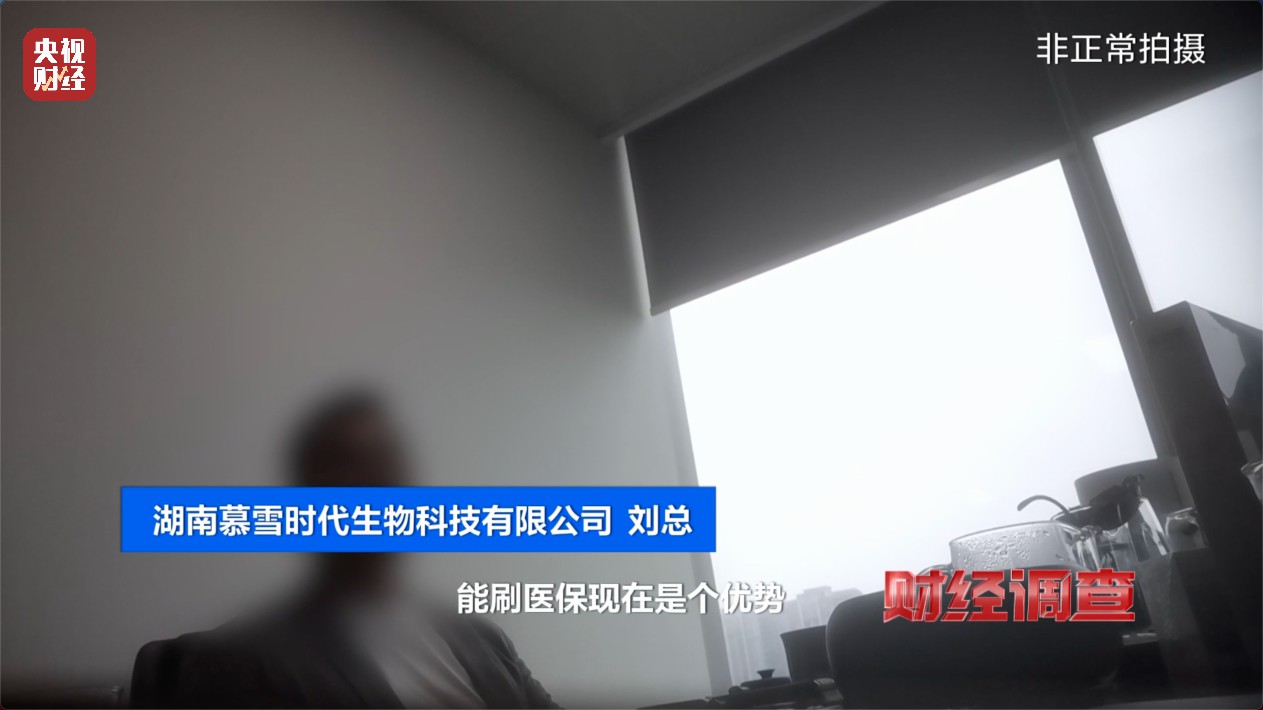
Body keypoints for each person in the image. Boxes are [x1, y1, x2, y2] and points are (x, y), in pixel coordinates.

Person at [130, 389, 559, 709]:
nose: (384, 481)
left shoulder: (484, 638)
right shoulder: (240, 656)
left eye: (391, 459)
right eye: (353, 462)